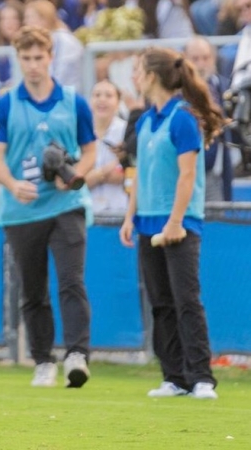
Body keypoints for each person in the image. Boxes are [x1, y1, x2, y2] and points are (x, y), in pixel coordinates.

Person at [0, 25, 96, 388]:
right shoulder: (5, 103)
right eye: (26, 58)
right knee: (32, 289)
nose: (33, 65)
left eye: (39, 57)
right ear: (18, 60)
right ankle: (42, 360)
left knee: (71, 281)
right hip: (22, 209)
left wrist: (76, 174)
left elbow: (92, 149)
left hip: (67, 203)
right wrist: (11, 183)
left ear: (51, 57)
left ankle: (77, 354)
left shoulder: (74, 102)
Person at [119, 46, 223, 399]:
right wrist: (130, 217)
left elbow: (187, 175)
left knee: (187, 300)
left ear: (151, 76)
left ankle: (202, 377)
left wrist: (176, 222)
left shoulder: (183, 118)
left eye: (137, 70)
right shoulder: (146, 119)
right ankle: (174, 377)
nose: (134, 77)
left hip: (180, 224)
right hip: (148, 224)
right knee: (160, 303)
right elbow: (140, 175)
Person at [183, 36, 233, 201]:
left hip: (215, 175)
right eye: (195, 59)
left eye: (205, 57)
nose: (201, 64)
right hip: (185, 172)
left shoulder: (227, 88)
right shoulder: (178, 93)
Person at [86, 79, 128, 215]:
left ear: (118, 103)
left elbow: (128, 174)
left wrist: (95, 175)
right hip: (89, 212)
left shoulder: (127, 131)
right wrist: (113, 167)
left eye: (108, 96)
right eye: (97, 95)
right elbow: (76, 180)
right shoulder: (81, 131)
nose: (102, 100)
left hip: (120, 211)